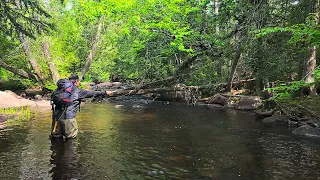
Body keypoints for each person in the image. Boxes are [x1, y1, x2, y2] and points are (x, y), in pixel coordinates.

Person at [51, 74, 113, 139]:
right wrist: (105, 92)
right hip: (69, 118)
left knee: (56, 138)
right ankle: (69, 149)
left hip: (56, 117)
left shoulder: (58, 89)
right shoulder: (77, 91)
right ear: (76, 81)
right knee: (71, 140)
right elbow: (93, 93)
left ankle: (56, 149)